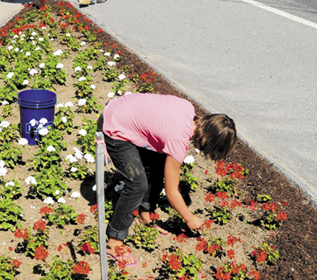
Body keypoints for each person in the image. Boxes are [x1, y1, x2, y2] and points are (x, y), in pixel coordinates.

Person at [98, 93, 237, 266]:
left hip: (121, 108)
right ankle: (115, 240)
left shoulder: (188, 108)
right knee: (137, 184)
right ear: (207, 141)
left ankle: (145, 214)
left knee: (158, 164)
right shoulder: (178, 140)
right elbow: (171, 192)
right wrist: (189, 218)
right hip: (114, 124)